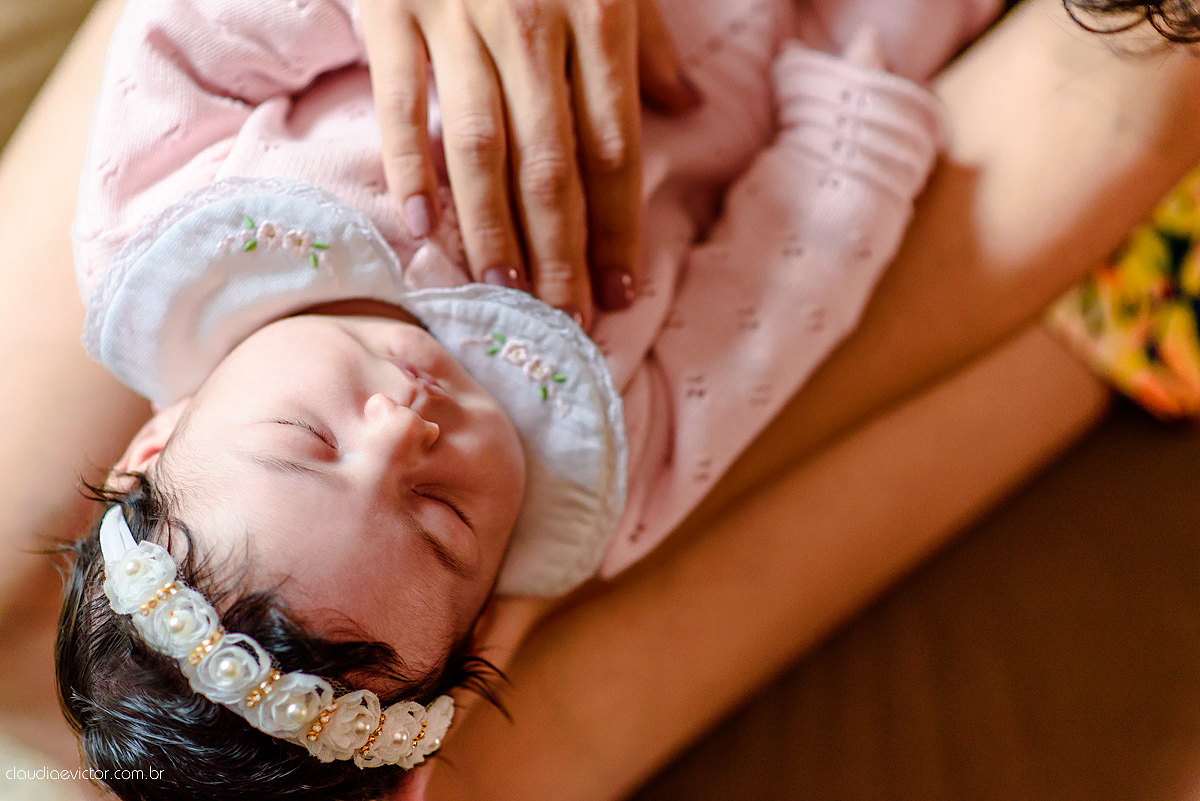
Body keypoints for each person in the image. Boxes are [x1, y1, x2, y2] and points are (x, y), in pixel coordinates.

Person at [0, 1, 1196, 800]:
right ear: (491, 609)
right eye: (439, 514)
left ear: (156, 433)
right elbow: (784, 288)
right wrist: (853, 88)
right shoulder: (610, 465)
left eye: (307, 438)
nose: (401, 429)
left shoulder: (173, 225)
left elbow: (201, 34)